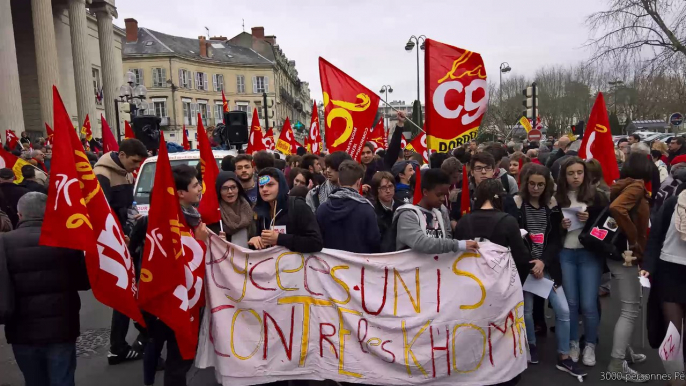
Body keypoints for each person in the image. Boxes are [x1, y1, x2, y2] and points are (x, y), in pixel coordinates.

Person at [2, 192, 90, 386]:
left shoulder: (4, 243)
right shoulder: (67, 239)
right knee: (63, 378)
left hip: (22, 328)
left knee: (34, 380)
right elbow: (83, 282)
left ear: (20, 214)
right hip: (62, 325)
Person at [513, 164, 585, 377]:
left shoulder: (552, 206)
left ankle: (564, 356)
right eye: (532, 184)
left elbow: (555, 240)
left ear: (547, 186)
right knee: (526, 311)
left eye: (541, 185)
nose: (536, 188)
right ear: (526, 183)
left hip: (548, 267)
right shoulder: (516, 204)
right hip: (526, 268)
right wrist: (531, 263)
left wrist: (543, 261)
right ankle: (530, 344)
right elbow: (514, 240)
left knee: (563, 310)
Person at [143, 164, 209, 386]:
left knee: (180, 356)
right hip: (172, 299)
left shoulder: (192, 217)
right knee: (177, 357)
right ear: (180, 193)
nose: (200, 188)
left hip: (189, 298)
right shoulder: (167, 221)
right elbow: (183, 261)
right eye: (195, 185)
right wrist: (199, 241)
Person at [92, 138, 148, 365]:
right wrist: (117, 235)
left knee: (131, 293)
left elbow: (126, 204)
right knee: (126, 295)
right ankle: (121, 345)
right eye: (134, 162)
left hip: (126, 237)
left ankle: (126, 342)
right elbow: (101, 211)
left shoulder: (125, 171)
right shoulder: (102, 174)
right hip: (115, 241)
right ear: (122, 155)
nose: (136, 168)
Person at [555, 156, 608, 367]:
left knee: (588, 304)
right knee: (571, 303)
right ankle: (574, 342)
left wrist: (590, 221)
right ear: (564, 176)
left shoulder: (597, 197)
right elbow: (550, 230)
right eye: (571, 173)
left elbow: (607, 226)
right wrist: (561, 225)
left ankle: (590, 344)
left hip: (589, 255)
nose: (575, 177)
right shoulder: (557, 198)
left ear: (585, 174)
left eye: (579, 172)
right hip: (566, 254)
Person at [605, 152, 651, 379]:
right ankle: (616, 363)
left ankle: (624, 350)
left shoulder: (623, 184)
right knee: (631, 308)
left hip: (618, 254)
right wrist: (633, 238)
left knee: (627, 306)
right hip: (627, 255)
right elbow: (617, 209)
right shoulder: (636, 187)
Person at [641, 187, 686, 383]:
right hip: (669, 271)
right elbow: (655, 237)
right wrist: (648, 266)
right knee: (672, 332)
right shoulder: (674, 202)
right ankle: (675, 378)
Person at [394, 168, 478, 254]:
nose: (442, 199)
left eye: (445, 195)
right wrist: (459, 245)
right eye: (439, 195)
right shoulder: (407, 215)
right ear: (425, 192)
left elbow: (446, 239)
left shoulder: (439, 213)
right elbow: (421, 243)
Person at [250, 167, 323, 253]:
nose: (264, 189)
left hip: (296, 265)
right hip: (270, 264)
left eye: (270, 185)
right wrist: (255, 240)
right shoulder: (259, 211)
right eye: (261, 186)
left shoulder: (297, 206)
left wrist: (279, 238)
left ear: (281, 185)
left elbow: (316, 242)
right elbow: (258, 240)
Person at [317, 161, 380, 253]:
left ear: (339, 181)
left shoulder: (322, 208)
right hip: (359, 264)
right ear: (359, 183)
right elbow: (374, 241)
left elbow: (318, 240)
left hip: (331, 265)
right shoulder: (366, 209)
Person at [208, 171, 255, 248]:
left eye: (233, 187)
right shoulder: (215, 215)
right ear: (219, 190)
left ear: (238, 188)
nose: (230, 191)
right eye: (225, 188)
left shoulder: (251, 208)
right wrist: (218, 241)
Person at [361, 112, 405, 187]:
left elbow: (394, 148)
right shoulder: (354, 170)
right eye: (362, 153)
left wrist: (400, 124)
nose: (366, 155)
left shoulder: (382, 163)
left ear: (373, 153)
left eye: (368, 152)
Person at [370, 171, 401, 240]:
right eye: (383, 188)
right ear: (376, 190)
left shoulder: (402, 207)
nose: (388, 191)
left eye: (390, 186)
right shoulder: (372, 211)